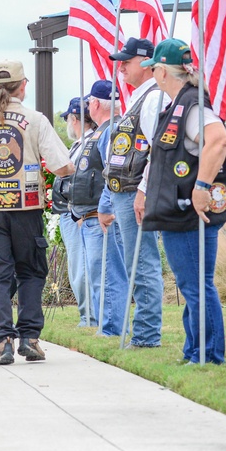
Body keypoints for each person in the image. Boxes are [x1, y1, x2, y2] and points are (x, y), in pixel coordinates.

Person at [0, 60, 73, 365]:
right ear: (23, 86)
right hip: (28, 208)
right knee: (31, 272)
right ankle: (30, 339)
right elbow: (61, 166)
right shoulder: (35, 120)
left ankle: (2, 341)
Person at [139, 39, 226, 364]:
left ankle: (208, 356)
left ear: (162, 70)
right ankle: (195, 352)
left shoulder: (192, 106)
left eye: (153, 67)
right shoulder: (179, 105)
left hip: (188, 212)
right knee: (192, 284)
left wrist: (201, 186)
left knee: (195, 285)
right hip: (177, 211)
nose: (151, 72)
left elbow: (218, 140)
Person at [98, 37, 168, 347]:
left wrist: (142, 191)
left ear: (147, 62)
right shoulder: (141, 97)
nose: (121, 66)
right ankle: (143, 333)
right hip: (123, 193)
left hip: (134, 193)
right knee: (135, 262)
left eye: (127, 60)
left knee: (142, 262)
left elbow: (159, 150)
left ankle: (147, 336)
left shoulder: (153, 98)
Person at [69, 80, 128, 336]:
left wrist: (103, 208)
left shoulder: (110, 131)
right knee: (100, 275)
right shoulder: (104, 130)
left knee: (107, 275)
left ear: (94, 104)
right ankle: (108, 326)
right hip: (92, 216)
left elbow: (111, 175)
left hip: (102, 217)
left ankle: (112, 329)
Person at [52, 97, 95, 326]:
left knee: (81, 267)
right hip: (70, 211)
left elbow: (83, 178)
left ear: (75, 118)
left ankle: (89, 316)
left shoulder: (88, 143)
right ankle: (87, 315)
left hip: (77, 212)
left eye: (68, 118)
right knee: (77, 266)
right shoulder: (79, 143)